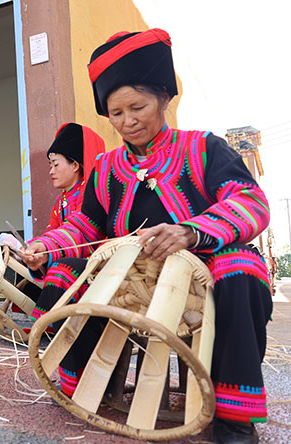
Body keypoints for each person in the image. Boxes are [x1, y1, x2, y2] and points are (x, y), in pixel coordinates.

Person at [19, 29, 271, 443]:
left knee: (243, 265)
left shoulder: (204, 149)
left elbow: (250, 202)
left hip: (199, 278)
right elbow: (86, 228)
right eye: (116, 113)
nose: (127, 121)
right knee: (68, 269)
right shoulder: (105, 168)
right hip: (130, 282)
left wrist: (192, 232)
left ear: (165, 99)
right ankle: (78, 377)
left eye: (138, 106)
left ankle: (232, 415)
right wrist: (44, 247)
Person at [0, 123, 105, 312]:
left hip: (92, 260)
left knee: (60, 270)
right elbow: (51, 233)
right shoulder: (61, 200)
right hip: (61, 250)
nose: (51, 171)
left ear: (75, 165)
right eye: (50, 165)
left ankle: (52, 325)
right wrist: (28, 248)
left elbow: (85, 234)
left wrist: (47, 250)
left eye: (55, 165)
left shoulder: (90, 194)